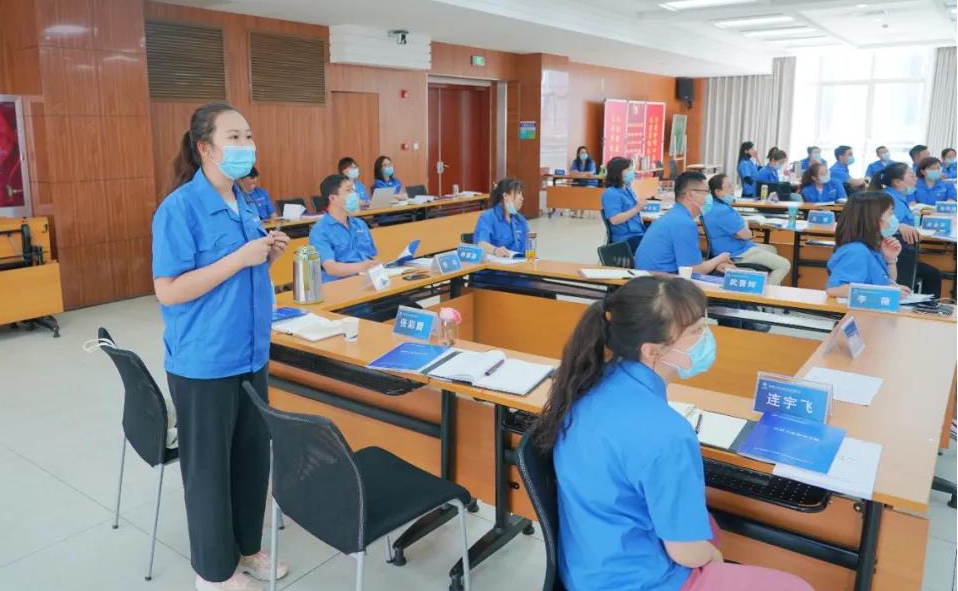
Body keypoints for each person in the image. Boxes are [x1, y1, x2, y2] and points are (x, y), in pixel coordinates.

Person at [536, 275, 814, 591]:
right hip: (639, 582)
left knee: (709, 527)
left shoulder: (587, 386)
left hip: (588, 569)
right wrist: (714, 557)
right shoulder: (667, 433)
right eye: (696, 331)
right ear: (653, 351)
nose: (707, 336)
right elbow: (686, 553)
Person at [152, 102, 290, 591]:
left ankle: (247, 548)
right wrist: (239, 259)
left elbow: (238, 277)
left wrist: (265, 257)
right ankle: (213, 573)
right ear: (205, 148)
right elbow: (169, 290)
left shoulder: (244, 202)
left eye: (248, 135)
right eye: (234, 137)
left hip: (250, 355)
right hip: (204, 362)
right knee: (210, 472)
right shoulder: (179, 209)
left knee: (252, 460)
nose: (245, 145)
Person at [635, 171, 734, 275]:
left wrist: (713, 265)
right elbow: (694, 271)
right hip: (662, 281)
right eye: (706, 191)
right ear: (690, 195)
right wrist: (720, 258)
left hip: (652, 278)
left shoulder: (674, 215)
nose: (709, 196)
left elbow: (690, 263)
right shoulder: (684, 223)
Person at [868, 162, 943, 296]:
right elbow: (877, 222)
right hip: (892, 253)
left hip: (899, 251)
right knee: (933, 275)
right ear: (897, 182)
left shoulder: (897, 197)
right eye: (912, 176)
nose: (916, 179)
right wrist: (899, 226)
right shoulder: (889, 200)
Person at [704, 173, 791, 285]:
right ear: (717, 191)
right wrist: (745, 224)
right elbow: (746, 235)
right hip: (738, 254)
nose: (732, 190)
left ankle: (767, 281)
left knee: (772, 248)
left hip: (731, 248)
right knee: (784, 265)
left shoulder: (712, 207)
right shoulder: (723, 211)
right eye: (729, 186)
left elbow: (738, 233)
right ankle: (766, 294)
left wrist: (740, 230)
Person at [825, 192, 910, 298]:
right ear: (873, 218)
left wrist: (890, 260)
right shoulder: (857, 251)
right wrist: (885, 291)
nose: (894, 218)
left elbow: (888, 280)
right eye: (890, 213)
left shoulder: (872, 247)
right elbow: (835, 290)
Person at [308, 174, 380, 282]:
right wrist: (363, 267)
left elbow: (370, 256)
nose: (354, 194)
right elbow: (331, 269)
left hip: (366, 278)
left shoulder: (360, 224)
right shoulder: (319, 231)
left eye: (353, 190)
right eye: (348, 190)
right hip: (340, 284)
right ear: (333, 198)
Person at [474, 177, 529, 256]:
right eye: (518, 193)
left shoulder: (521, 219)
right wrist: (495, 250)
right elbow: (481, 244)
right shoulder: (487, 217)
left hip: (520, 261)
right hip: (496, 262)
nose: (522, 198)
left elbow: (528, 246)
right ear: (505, 196)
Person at [600, 157, 645, 252]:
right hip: (626, 238)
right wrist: (637, 208)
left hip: (638, 233)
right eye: (628, 170)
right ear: (618, 172)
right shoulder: (610, 193)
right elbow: (615, 220)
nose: (632, 173)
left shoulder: (628, 189)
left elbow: (635, 207)